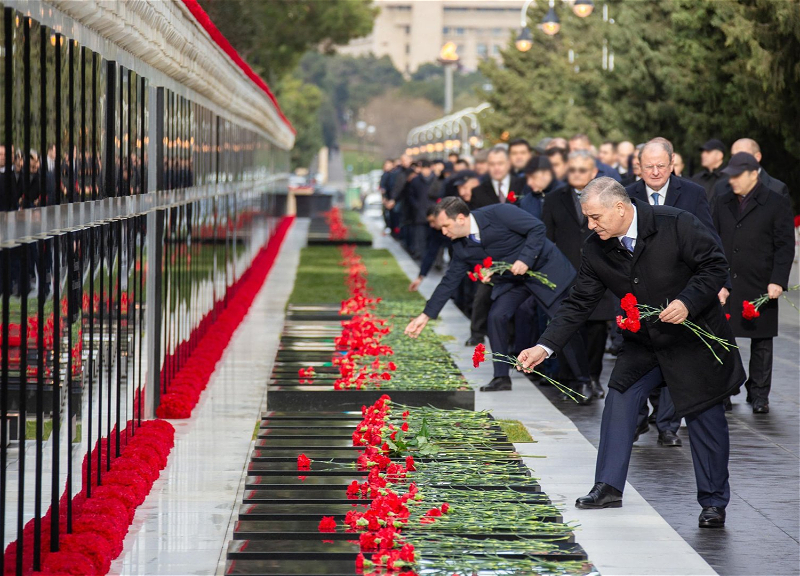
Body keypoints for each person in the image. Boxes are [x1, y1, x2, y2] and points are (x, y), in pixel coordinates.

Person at [518, 177, 744, 528]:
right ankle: (607, 486)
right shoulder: (596, 247)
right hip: (644, 343)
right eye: (588, 218)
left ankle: (714, 502)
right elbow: (578, 302)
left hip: (693, 339)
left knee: (704, 417)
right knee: (620, 397)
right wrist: (544, 346)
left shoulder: (676, 223)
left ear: (620, 208)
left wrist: (687, 301)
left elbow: (715, 266)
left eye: (595, 217)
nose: (591, 226)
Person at [405, 197, 584, 395]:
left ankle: (584, 380)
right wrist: (425, 316)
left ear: (461, 219)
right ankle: (501, 377)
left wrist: (524, 259)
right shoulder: (460, 245)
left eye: (446, 226)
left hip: (543, 270)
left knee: (561, 323)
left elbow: (537, 228)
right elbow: (449, 282)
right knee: (496, 316)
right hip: (511, 280)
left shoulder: (499, 213)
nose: (444, 232)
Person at [626, 137, 721, 446]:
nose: (655, 172)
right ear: (638, 167)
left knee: (675, 355)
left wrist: (721, 284)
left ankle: (667, 424)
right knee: (643, 353)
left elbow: (708, 238)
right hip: (639, 291)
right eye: (648, 166)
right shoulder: (626, 196)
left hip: (680, 289)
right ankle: (640, 417)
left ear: (672, 165)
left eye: (661, 166)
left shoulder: (691, 193)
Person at [713, 152, 795, 414]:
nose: (732, 181)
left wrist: (778, 281)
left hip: (761, 282)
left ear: (753, 174)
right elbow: (712, 240)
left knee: (761, 341)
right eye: (730, 176)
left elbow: (784, 246)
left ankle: (759, 394)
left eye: (737, 176)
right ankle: (725, 390)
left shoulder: (775, 202)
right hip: (727, 283)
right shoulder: (722, 201)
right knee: (723, 338)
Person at [541, 150, 613, 399]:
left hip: (599, 272)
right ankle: (570, 380)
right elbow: (547, 240)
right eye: (572, 169)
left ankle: (593, 377)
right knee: (569, 328)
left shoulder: (607, 197)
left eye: (582, 170)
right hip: (564, 274)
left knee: (596, 330)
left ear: (594, 172)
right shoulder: (553, 199)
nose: (576, 174)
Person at [712, 138, 789, 204]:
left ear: (757, 157)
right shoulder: (721, 188)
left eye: (742, 155)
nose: (736, 160)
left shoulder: (777, 189)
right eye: (733, 156)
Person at [408, 205, 452, 292]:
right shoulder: (435, 231)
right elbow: (431, 253)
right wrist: (420, 277)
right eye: (430, 222)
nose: (431, 225)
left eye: (433, 221)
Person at [407, 160, 436, 258]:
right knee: (420, 236)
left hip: (434, 212)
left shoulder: (436, 180)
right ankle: (421, 254)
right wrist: (417, 205)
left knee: (432, 237)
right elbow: (411, 195)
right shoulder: (416, 180)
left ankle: (432, 257)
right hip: (420, 212)